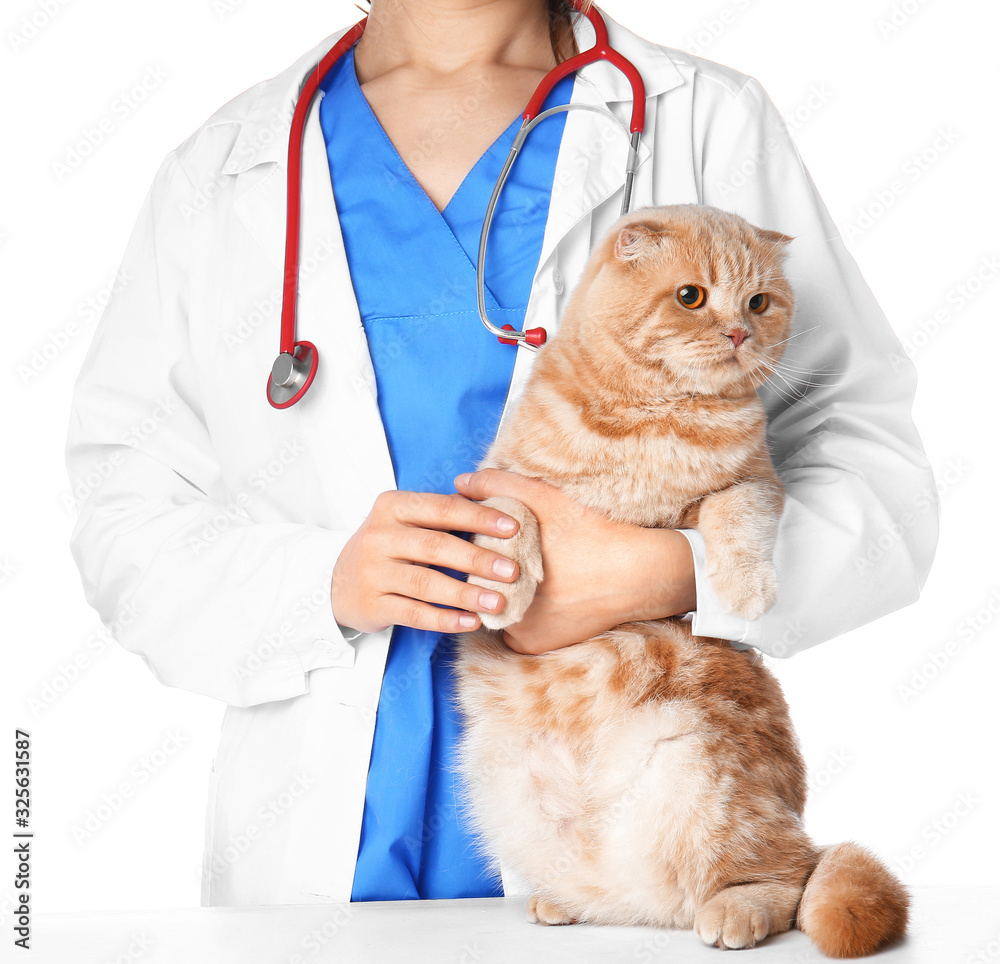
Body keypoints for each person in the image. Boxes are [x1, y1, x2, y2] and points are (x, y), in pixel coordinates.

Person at [64, 0, 938, 907]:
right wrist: (322, 581)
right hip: (321, 839)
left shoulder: (704, 121)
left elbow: (878, 476)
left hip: (649, 814)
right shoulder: (223, 166)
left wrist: (667, 572)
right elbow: (122, 519)